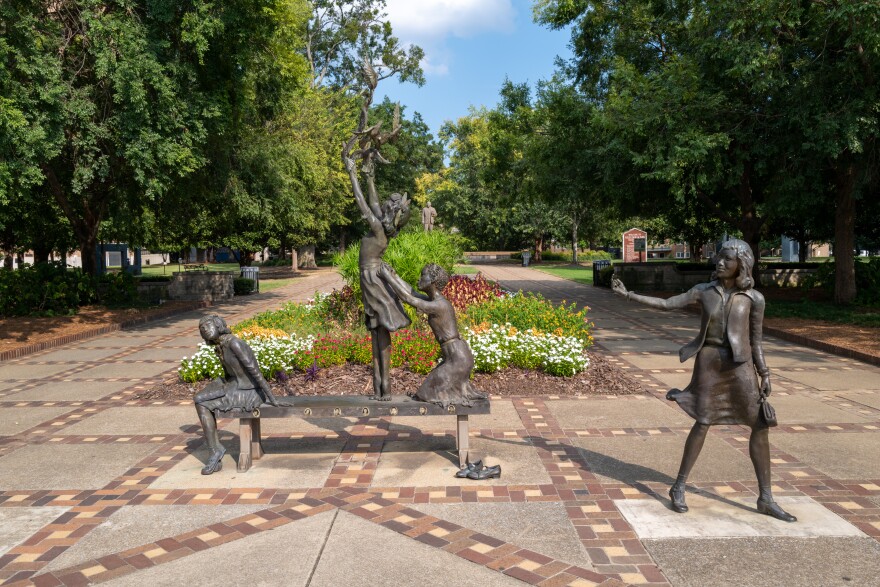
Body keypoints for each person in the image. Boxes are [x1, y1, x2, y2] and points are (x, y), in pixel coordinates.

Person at [611, 239, 796, 522]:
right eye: (718, 258)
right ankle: (679, 486)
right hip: (709, 364)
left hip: (741, 367)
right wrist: (629, 295)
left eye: (726, 259)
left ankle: (766, 498)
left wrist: (765, 373)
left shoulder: (754, 299)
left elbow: (756, 342)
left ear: (741, 265)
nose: (718, 263)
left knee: (759, 425)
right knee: (703, 422)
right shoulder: (703, 292)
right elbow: (666, 303)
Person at [342, 154, 412, 400]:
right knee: (377, 332)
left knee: (379, 331)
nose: (380, 203)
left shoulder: (377, 228)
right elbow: (371, 201)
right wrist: (369, 175)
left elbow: (362, 201)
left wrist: (352, 174)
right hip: (372, 278)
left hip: (372, 279)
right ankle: (382, 388)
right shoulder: (382, 229)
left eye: (385, 203)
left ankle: (384, 388)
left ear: (389, 210)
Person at [378, 262, 488, 408]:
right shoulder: (434, 301)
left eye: (423, 275)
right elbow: (411, 292)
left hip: (459, 359)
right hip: (455, 357)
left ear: (433, 281)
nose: (419, 279)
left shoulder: (439, 305)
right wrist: (394, 276)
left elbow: (409, 299)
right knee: (426, 392)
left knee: (426, 393)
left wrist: (387, 278)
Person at [193, 315, 278, 475]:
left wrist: (272, 398)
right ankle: (215, 450)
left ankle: (215, 452)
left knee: (200, 401)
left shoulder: (234, 343)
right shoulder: (220, 346)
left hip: (248, 391)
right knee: (199, 399)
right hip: (233, 384)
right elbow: (229, 373)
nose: (203, 329)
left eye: (207, 324)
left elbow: (255, 371)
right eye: (201, 328)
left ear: (218, 325)